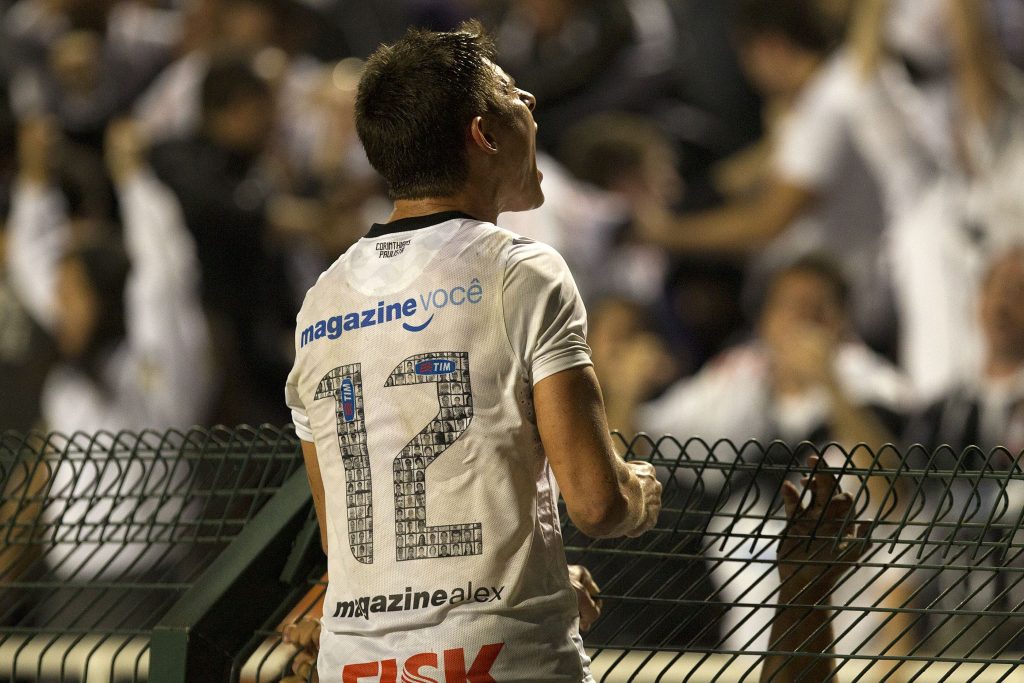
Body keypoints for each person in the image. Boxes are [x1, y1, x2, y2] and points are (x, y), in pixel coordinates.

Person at [283, 22, 662, 682]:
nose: (532, 106)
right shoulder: (523, 272)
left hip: (358, 660)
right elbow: (596, 503)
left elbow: (342, 533)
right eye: (515, 94)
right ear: (485, 135)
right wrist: (639, 491)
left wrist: (537, 574)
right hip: (499, 659)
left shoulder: (322, 298)